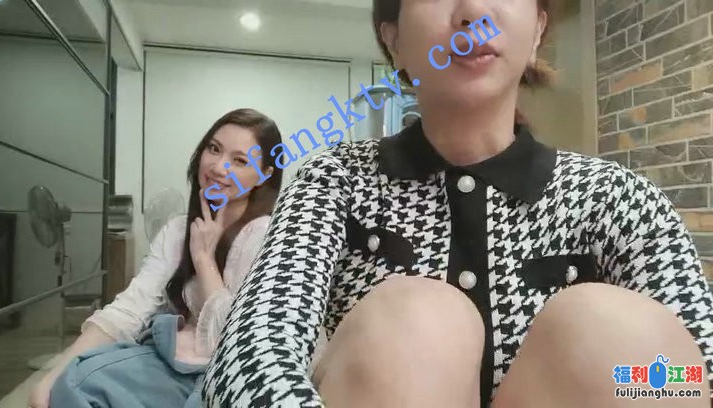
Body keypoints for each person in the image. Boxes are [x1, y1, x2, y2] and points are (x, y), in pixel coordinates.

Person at [203, 1, 713, 407]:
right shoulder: (334, 180)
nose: (472, 12)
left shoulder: (617, 197)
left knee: (623, 340)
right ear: (394, 40)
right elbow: (251, 350)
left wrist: (614, 372)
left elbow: (698, 374)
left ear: (538, 29)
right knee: (417, 318)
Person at [27, 108, 284, 408]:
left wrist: (204, 260)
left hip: (229, 379)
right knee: (75, 379)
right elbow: (131, 308)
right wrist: (53, 376)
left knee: (83, 388)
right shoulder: (177, 230)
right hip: (173, 359)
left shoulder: (268, 236)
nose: (218, 167)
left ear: (265, 175)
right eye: (214, 149)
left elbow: (245, 344)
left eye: (240, 161)